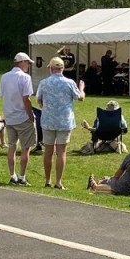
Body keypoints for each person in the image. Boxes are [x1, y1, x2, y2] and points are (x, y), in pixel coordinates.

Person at [35, 56, 85, 189]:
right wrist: (82, 88)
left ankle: (47, 180)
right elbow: (80, 98)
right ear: (62, 69)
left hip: (48, 121)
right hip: (64, 121)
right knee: (61, 152)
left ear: (51, 68)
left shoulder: (44, 83)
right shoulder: (69, 82)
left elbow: (39, 100)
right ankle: (58, 182)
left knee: (48, 151)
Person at [0, 53, 38, 185]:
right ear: (21, 62)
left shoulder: (4, 77)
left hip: (9, 117)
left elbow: (2, 95)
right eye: (27, 63)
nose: (28, 65)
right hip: (22, 116)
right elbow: (26, 99)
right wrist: (30, 115)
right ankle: (22, 177)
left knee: (12, 147)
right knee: (25, 148)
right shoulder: (25, 77)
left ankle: (12, 175)